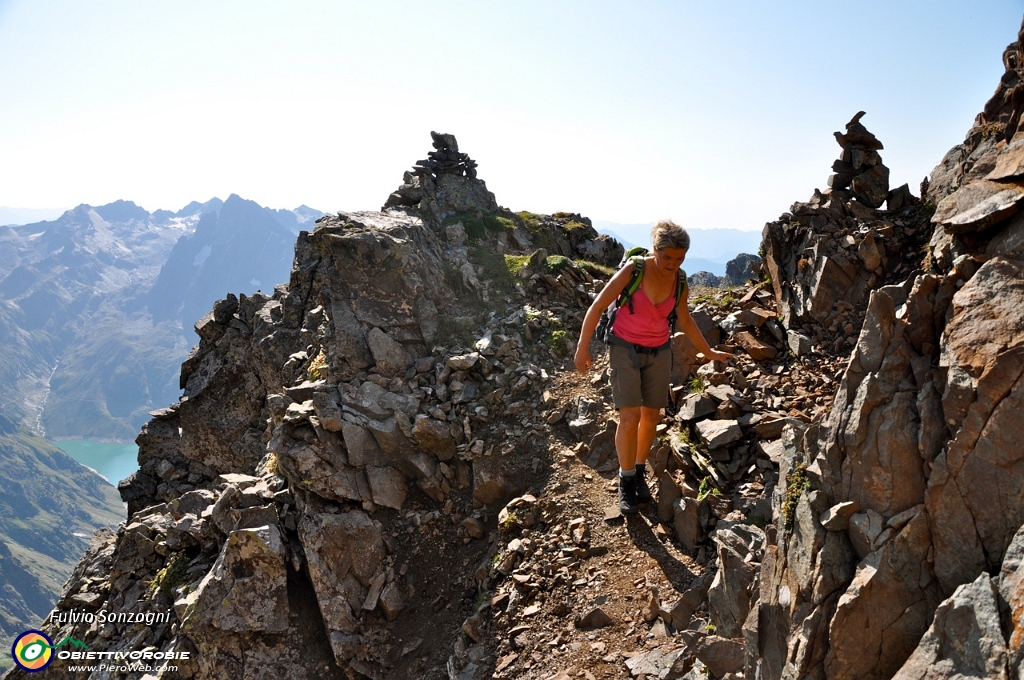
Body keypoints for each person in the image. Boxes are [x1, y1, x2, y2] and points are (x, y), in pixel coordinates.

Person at [574, 220, 733, 515]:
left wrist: (709, 351)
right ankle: (625, 481)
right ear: (655, 251)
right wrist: (582, 347)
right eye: (667, 257)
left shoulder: (680, 280)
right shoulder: (634, 270)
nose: (672, 264)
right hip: (623, 347)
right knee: (630, 415)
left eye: (679, 259)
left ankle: (637, 472)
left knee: (651, 416)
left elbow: (684, 319)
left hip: (659, 350)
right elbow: (597, 306)